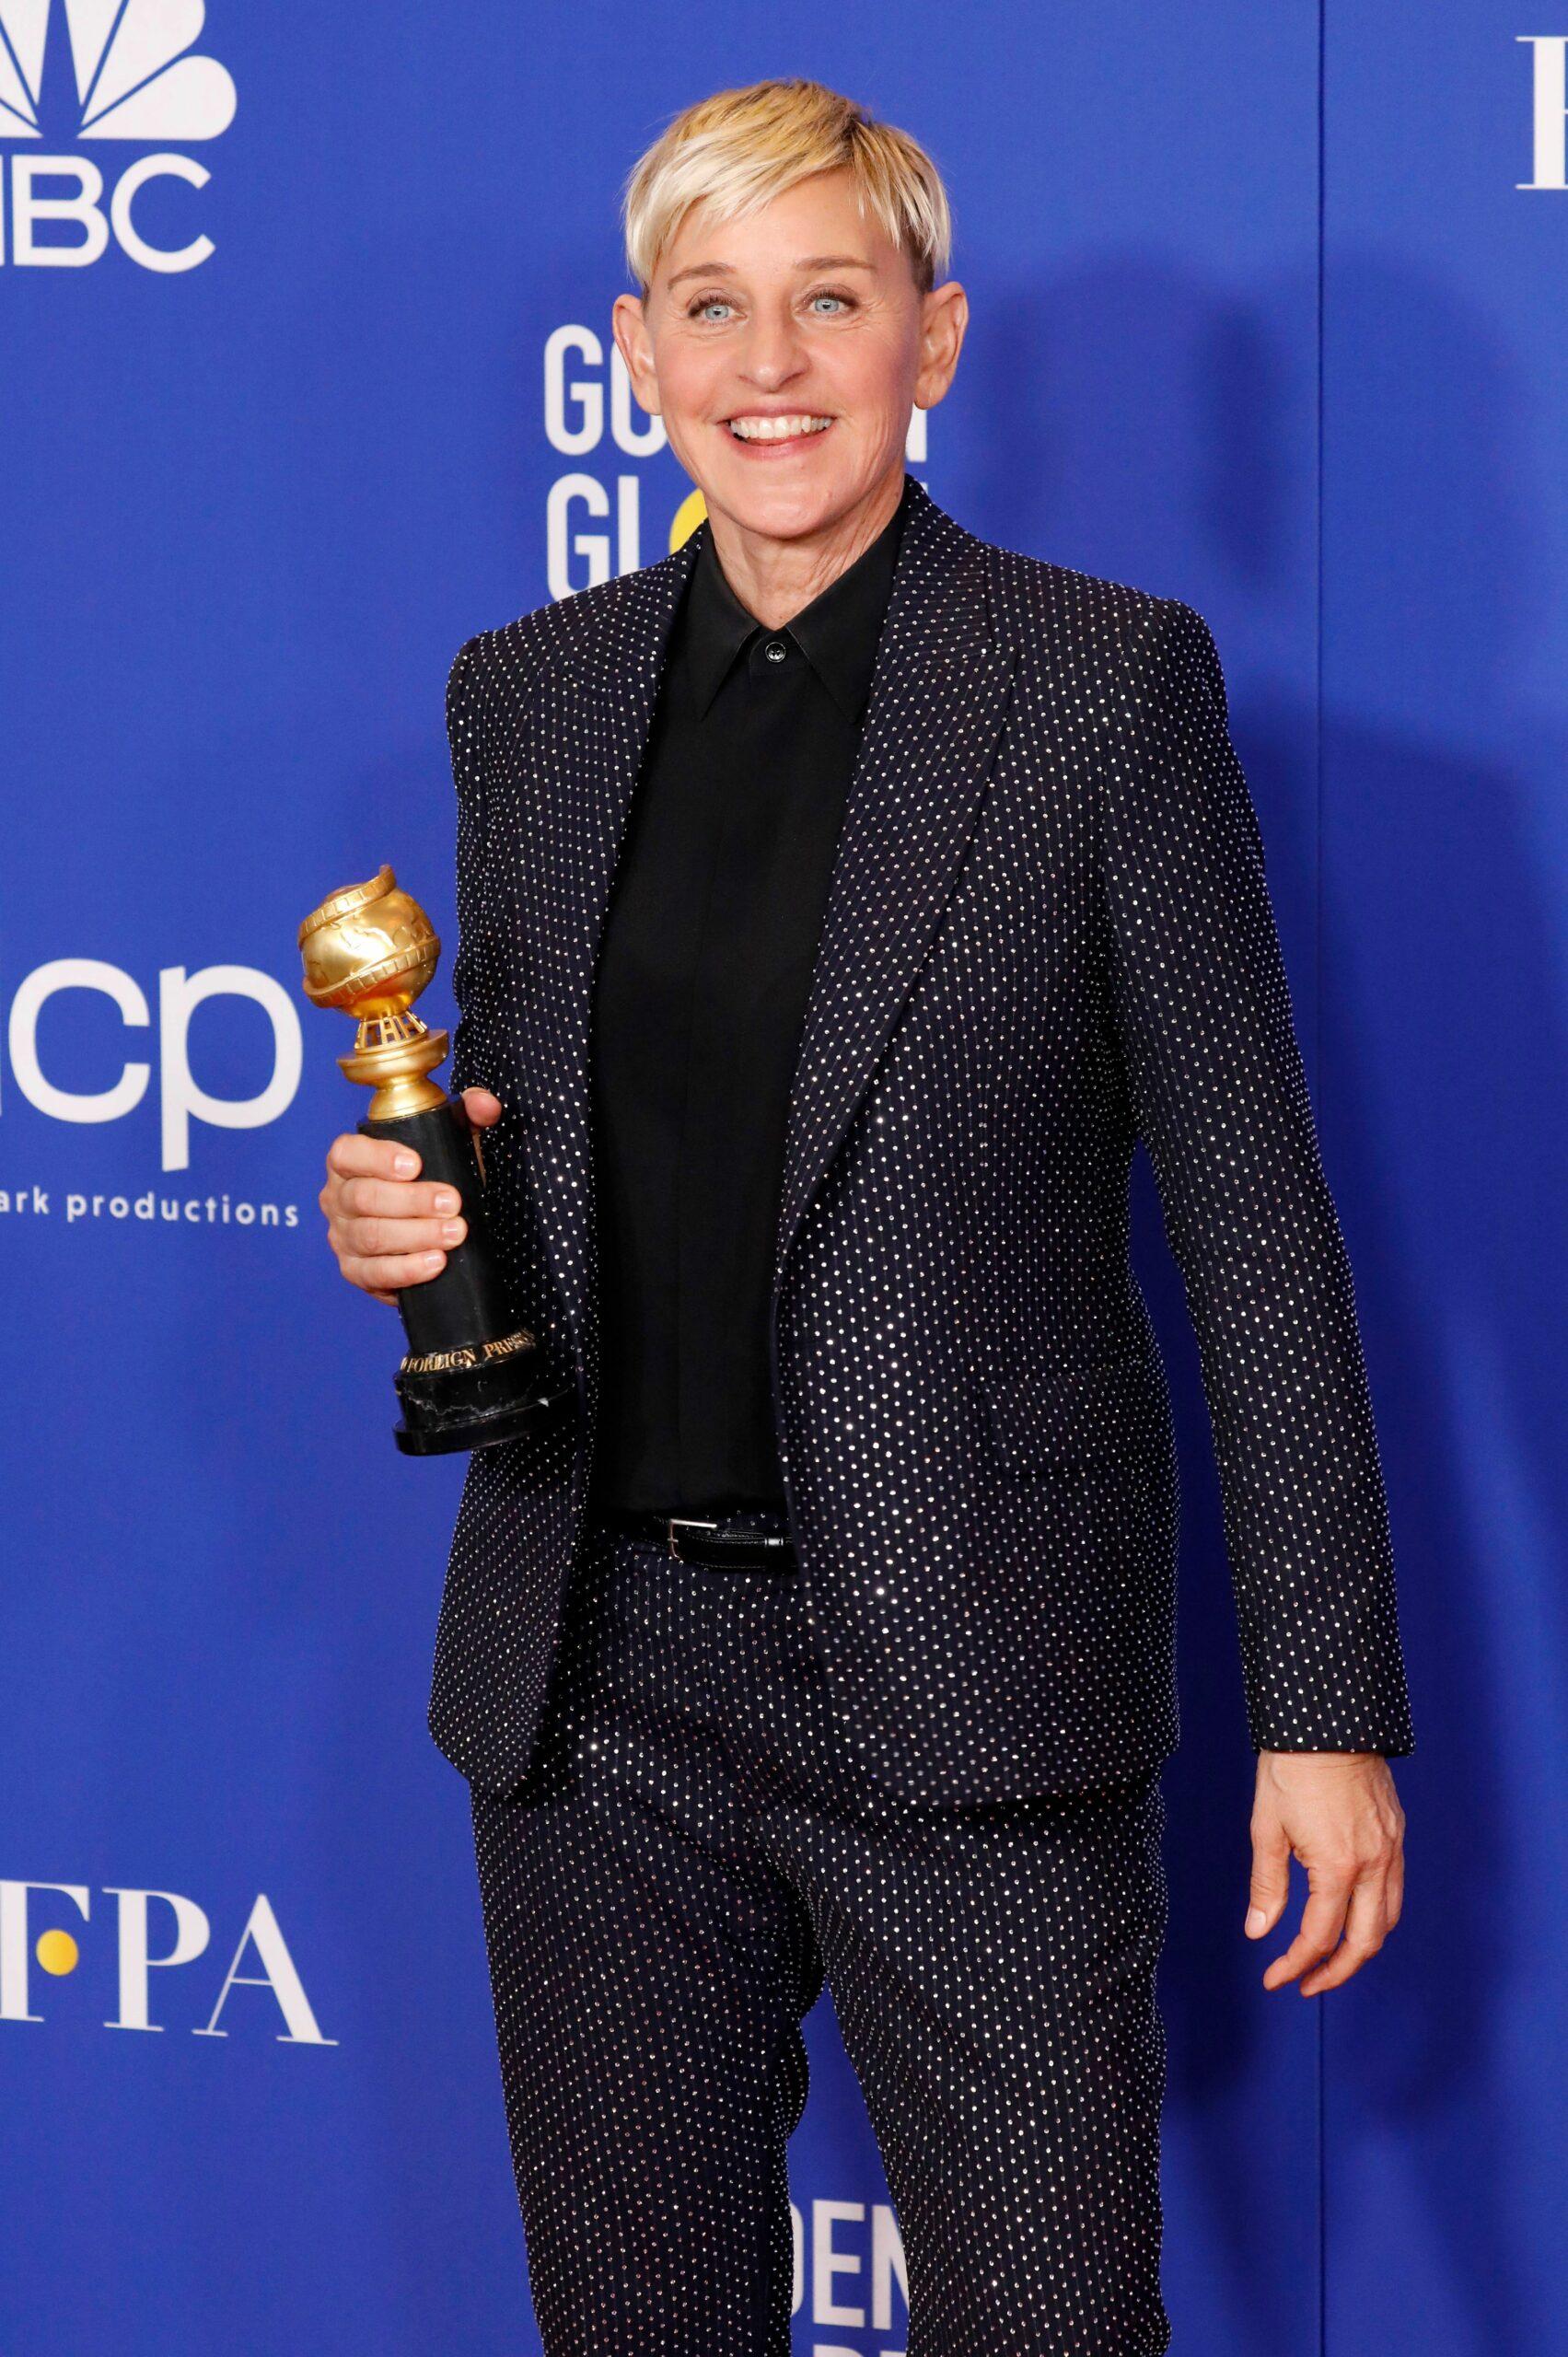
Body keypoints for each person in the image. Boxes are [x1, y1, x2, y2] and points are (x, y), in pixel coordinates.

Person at [318, 75, 1413, 2357]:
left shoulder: (1103, 685)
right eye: (715, 308)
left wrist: (1324, 1704)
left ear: (936, 339)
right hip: (592, 1678)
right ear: (637, 351)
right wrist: (419, 1214)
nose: (772, 365)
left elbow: (1259, 1227)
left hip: (974, 1667)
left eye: (834, 299)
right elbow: (549, 1136)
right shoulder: (523, 701)